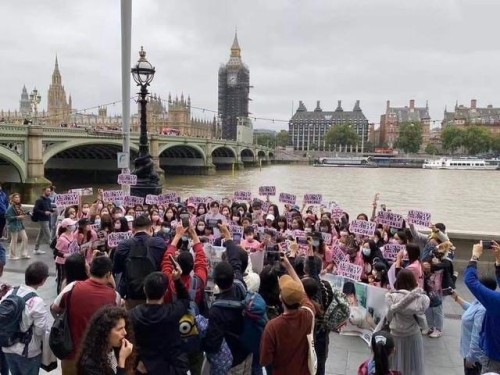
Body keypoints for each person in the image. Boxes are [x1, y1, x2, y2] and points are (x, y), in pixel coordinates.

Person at [51, 255, 121, 375]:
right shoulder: (114, 296)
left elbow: (54, 308)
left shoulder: (72, 287)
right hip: (98, 358)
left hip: (72, 353)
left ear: (90, 269)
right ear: (108, 274)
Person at [201, 224, 252, 373]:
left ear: (215, 281)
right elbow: (236, 261)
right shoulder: (240, 285)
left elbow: (213, 342)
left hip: (229, 359)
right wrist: (228, 237)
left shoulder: (216, 310)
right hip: (245, 352)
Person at [260, 253, 316, 375]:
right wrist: (289, 266)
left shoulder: (273, 326)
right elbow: (301, 291)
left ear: (281, 297)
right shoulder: (309, 313)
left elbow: (265, 360)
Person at [129, 271, 190, 375]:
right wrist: (177, 280)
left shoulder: (132, 315)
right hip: (170, 366)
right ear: (165, 292)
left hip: (143, 366)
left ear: (144, 289)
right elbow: (185, 300)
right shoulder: (173, 312)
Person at [1, 262, 49, 375]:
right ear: (43, 281)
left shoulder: (10, 292)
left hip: (7, 346)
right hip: (27, 352)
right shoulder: (37, 302)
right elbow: (40, 330)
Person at [113, 215, 166, 309]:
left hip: (132, 297)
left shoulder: (123, 245)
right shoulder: (159, 243)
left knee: (133, 322)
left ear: (133, 230)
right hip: (155, 296)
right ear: (151, 229)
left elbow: (117, 268)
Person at [464, 241, 500, 374]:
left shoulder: (496, 301)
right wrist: (498, 261)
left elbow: (471, 281)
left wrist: (474, 257)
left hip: (494, 359)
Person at [385, 269, 429, 375]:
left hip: (395, 334)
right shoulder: (420, 299)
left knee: (395, 364)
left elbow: (389, 316)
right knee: (413, 364)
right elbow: (423, 309)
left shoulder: (391, 297)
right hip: (413, 334)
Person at [452, 276, 497, 375]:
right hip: (469, 352)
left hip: (475, 358)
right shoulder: (481, 301)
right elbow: (471, 308)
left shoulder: (483, 309)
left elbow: (477, 335)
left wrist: (471, 358)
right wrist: (456, 297)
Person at [76, 306, 135, 375]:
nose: (125, 332)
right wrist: (122, 361)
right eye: (119, 329)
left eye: (124, 327)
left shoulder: (116, 350)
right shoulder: (90, 364)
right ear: (105, 332)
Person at [54, 218, 78, 294]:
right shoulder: (62, 238)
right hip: (62, 262)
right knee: (62, 279)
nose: (74, 226)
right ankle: (59, 294)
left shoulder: (72, 234)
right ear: (67, 227)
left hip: (70, 260)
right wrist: (65, 255)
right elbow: (56, 252)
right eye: (72, 225)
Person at [4, 193, 29, 260]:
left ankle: (23, 254)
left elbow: (21, 213)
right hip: (14, 225)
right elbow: (7, 216)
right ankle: (12, 256)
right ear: (12, 199)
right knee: (14, 240)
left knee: (25, 238)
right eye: (16, 197)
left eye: (18, 197)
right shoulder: (10, 207)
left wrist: (26, 213)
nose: (18, 198)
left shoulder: (18, 206)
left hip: (20, 225)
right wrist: (17, 217)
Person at [33, 187, 54, 255]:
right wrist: (44, 212)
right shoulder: (39, 200)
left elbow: (49, 208)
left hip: (47, 219)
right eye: (48, 191)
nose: (49, 192)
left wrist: (53, 210)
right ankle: (56, 251)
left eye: (50, 191)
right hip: (42, 219)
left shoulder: (48, 200)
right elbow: (35, 209)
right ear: (44, 191)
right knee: (48, 236)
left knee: (41, 235)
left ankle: (36, 249)